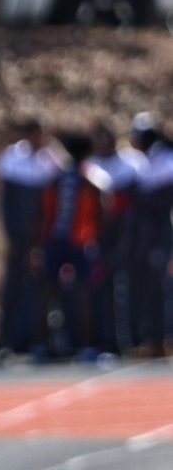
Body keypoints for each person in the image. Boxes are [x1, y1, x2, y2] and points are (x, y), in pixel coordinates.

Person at [32, 130, 108, 362]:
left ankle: (41, 347)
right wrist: (97, 235)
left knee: (47, 294)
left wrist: (37, 243)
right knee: (84, 294)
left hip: (54, 239)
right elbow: (104, 208)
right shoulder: (89, 179)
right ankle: (87, 348)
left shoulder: (57, 178)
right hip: (79, 240)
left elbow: (42, 211)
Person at [0, 119, 62, 359]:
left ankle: (40, 339)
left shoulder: (52, 159)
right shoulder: (12, 157)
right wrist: (13, 237)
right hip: (20, 236)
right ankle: (6, 341)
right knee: (12, 287)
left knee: (44, 288)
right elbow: (7, 204)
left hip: (43, 237)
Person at [85, 121, 147, 354]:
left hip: (129, 235)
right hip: (101, 238)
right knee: (103, 291)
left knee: (128, 289)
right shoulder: (91, 167)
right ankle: (108, 339)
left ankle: (132, 338)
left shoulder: (132, 163)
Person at [127, 112, 173, 356]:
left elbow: (164, 200)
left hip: (162, 233)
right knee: (148, 286)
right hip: (148, 233)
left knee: (160, 286)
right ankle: (153, 338)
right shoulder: (145, 160)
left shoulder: (165, 158)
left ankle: (164, 339)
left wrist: (142, 201)